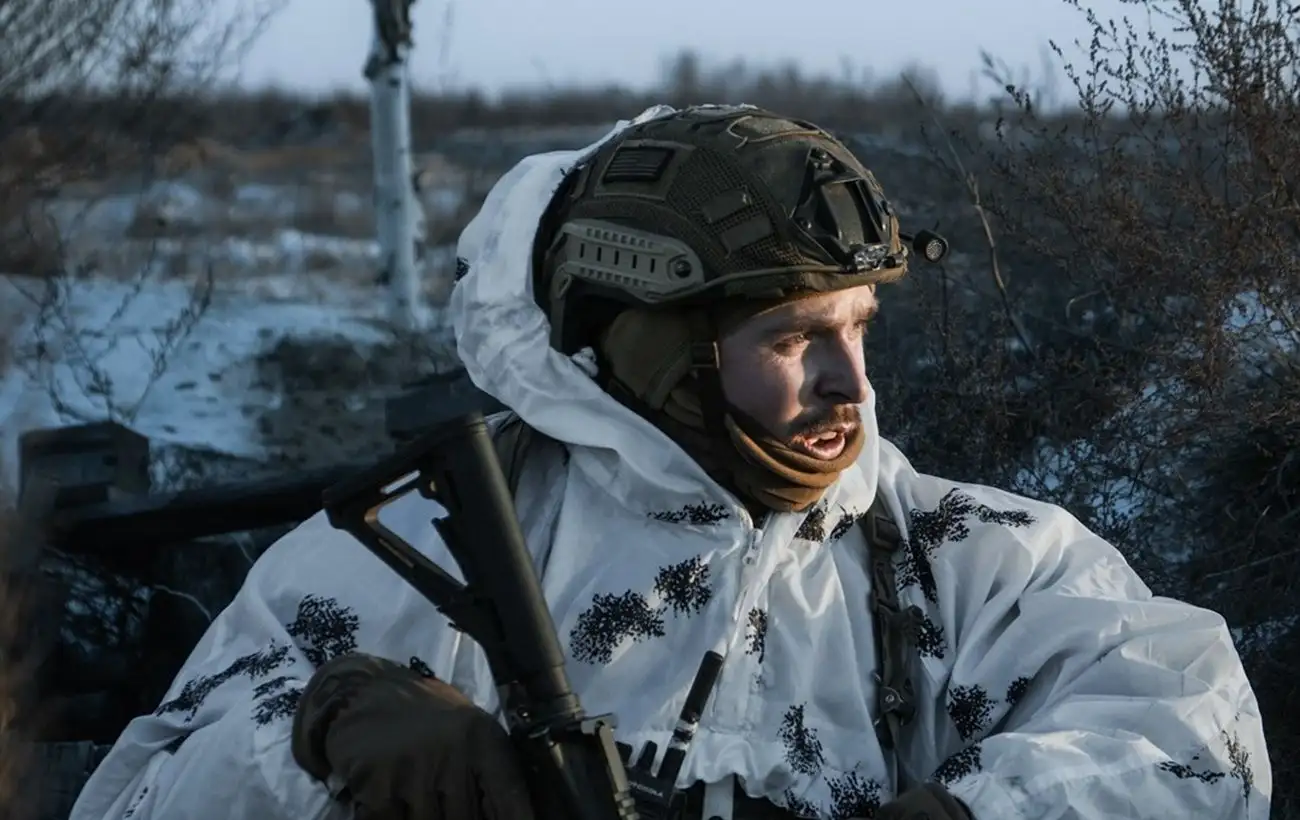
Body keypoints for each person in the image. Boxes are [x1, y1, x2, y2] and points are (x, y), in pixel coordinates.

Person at [69, 104, 1270, 820]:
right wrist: (316, 737)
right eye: (794, 340)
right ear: (654, 352)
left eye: (859, 327)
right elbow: (133, 799)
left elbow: (1196, 733)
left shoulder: (964, 557)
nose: (850, 387)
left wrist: (972, 810)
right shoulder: (424, 546)